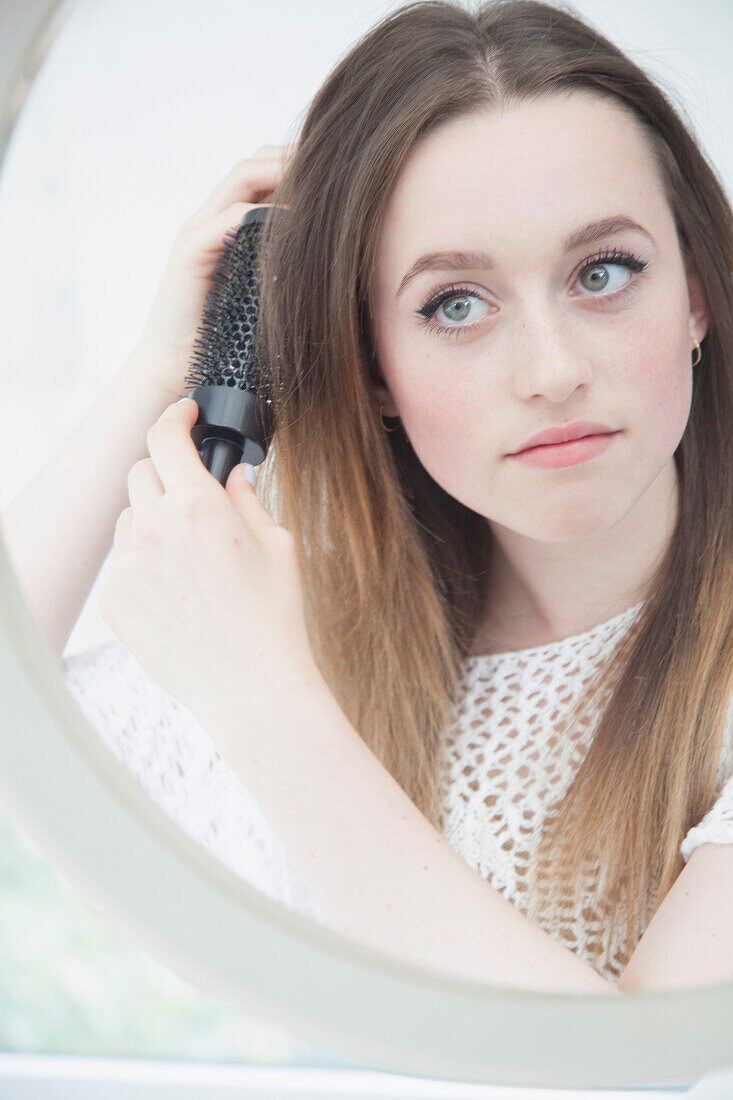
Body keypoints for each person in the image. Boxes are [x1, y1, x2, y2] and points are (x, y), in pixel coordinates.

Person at [3, 0, 733, 988]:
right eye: (455, 304)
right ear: (374, 370)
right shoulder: (328, 629)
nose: (552, 369)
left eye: (602, 271)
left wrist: (259, 696)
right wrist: (163, 367)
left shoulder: (270, 671)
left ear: (694, 291)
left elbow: (653, 1071)